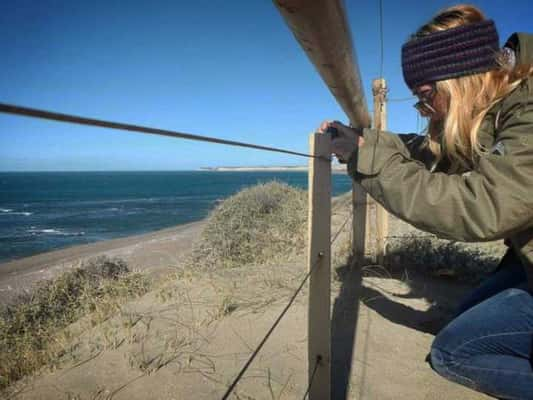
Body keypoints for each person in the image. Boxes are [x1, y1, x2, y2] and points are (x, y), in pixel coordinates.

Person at [318, 5, 533, 399]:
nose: (426, 112)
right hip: (525, 259)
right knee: (464, 318)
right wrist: (367, 141)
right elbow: (438, 152)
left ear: (459, 79)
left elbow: (483, 205)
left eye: (426, 96)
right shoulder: (500, 106)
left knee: (454, 353)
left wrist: (368, 163)